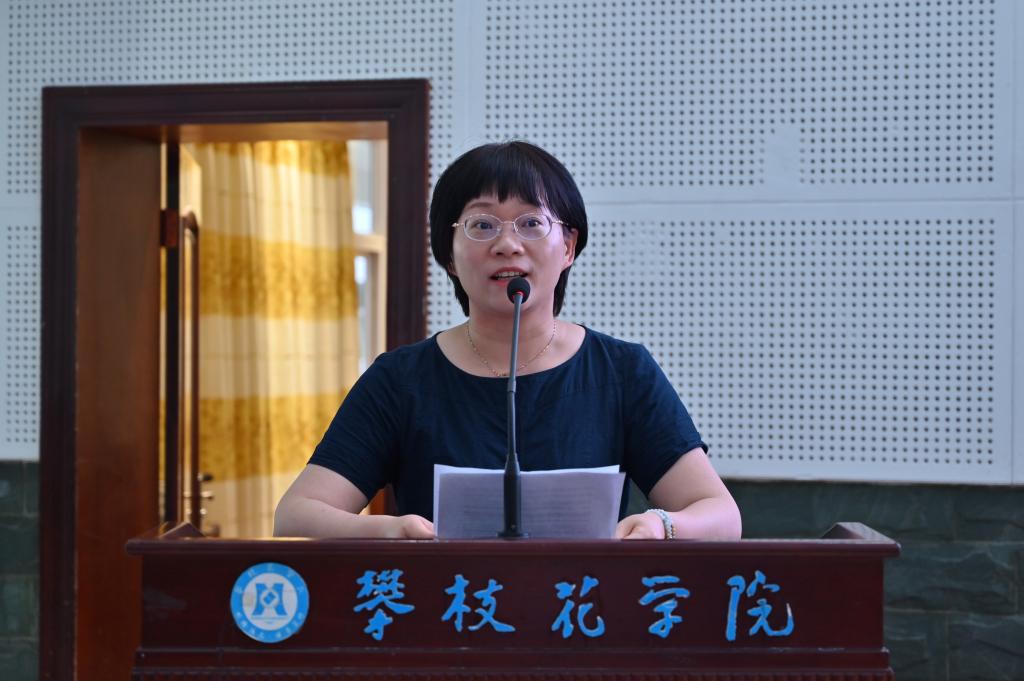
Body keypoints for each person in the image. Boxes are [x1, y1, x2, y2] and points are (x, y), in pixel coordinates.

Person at [274, 141, 741, 540]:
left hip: (582, 611)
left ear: (568, 247)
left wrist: (662, 524)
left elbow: (720, 514)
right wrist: (389, 531)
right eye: (482, 225)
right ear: (450, 257)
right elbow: (296, 515)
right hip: (447, 612)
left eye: (531, 223)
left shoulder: (621, 371)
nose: (507, 244)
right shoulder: (400, 379)